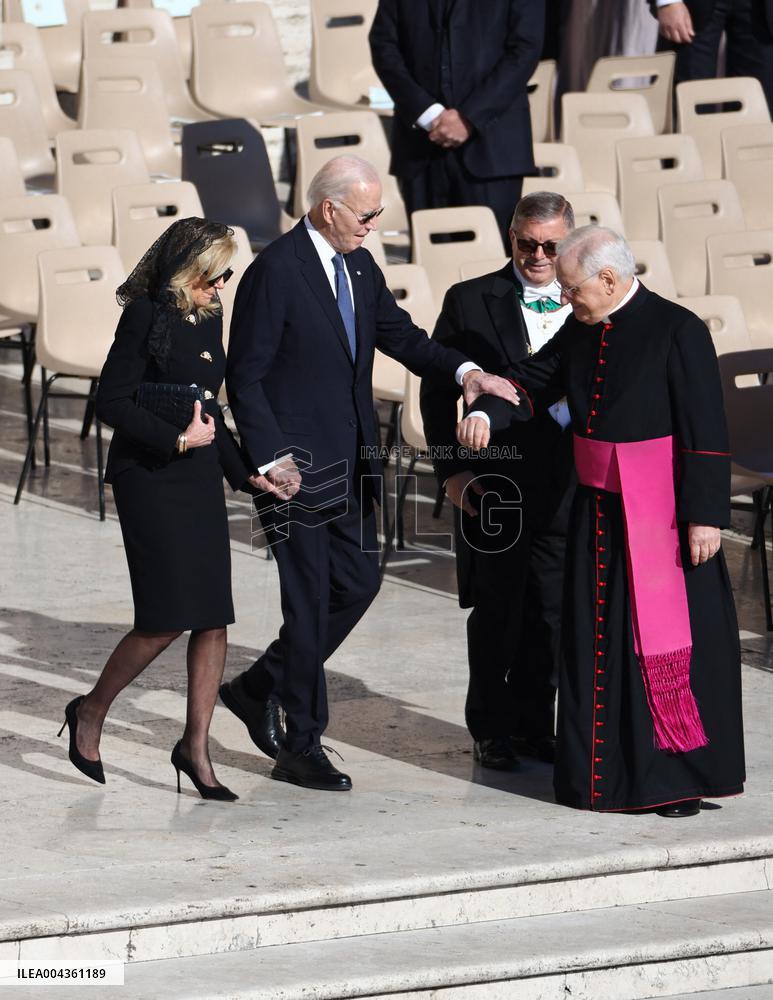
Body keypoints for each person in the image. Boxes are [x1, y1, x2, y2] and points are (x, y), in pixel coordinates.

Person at [221, 154, 520, 792]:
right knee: (306, 605)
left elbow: (402, 336)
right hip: (293, 471)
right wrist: (271, 458)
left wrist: (469, 373)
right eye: (368, 214)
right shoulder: (275, 271)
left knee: (357, 584)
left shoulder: (357, 262)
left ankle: (256, 687)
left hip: (354, 461)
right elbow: (243, 376)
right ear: (330, 209)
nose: (375, 226)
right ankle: (301, 743)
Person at [458, 225, 745, 816]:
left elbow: (706, 430)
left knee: (657, 645)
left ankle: (671, 779)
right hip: (595, 511)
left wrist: (705, 517)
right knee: (595, 643)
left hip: (662, 515)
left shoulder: (678, 329)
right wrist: (488, 407)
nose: (564, 299)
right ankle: (603, 776)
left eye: (572, 288)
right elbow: (533, 382)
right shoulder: (585, 325)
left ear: (609, 280)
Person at [59, 218, 252, 802]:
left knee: (213, 616)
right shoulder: (145, 314)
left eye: (227, 275)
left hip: (195, 476)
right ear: (188, 271)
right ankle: (91, 710)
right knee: (166, 617)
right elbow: (111, 401)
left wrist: (248, 476)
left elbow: (207, 409)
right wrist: (173, 440)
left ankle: (195, 747)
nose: (222, 286)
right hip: (148, 475)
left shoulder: (210, 316)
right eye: (215, 275)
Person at [420, 192, 576, 771]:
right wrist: (452, 472)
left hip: (565, 481)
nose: (538, 255)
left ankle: (537, 723)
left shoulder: (585, 297)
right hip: (494, 480)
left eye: (551, 245)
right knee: (497, 608)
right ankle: (490, 727)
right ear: (510, 237)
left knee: (552, 611)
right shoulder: (470, 299)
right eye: (526, 243)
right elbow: (437, 389)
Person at [369, 0, 545, 248]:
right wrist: (427, 113)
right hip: (422, 148)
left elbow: (525, 49)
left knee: (490, 264)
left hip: (492, 148)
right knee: (432, 260)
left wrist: (469, 117)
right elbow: (384, 45)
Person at [650, 0, 773, 113]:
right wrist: (667, 2)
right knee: (687, 103)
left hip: (761, 9)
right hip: (691, 6)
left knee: (758, 106)